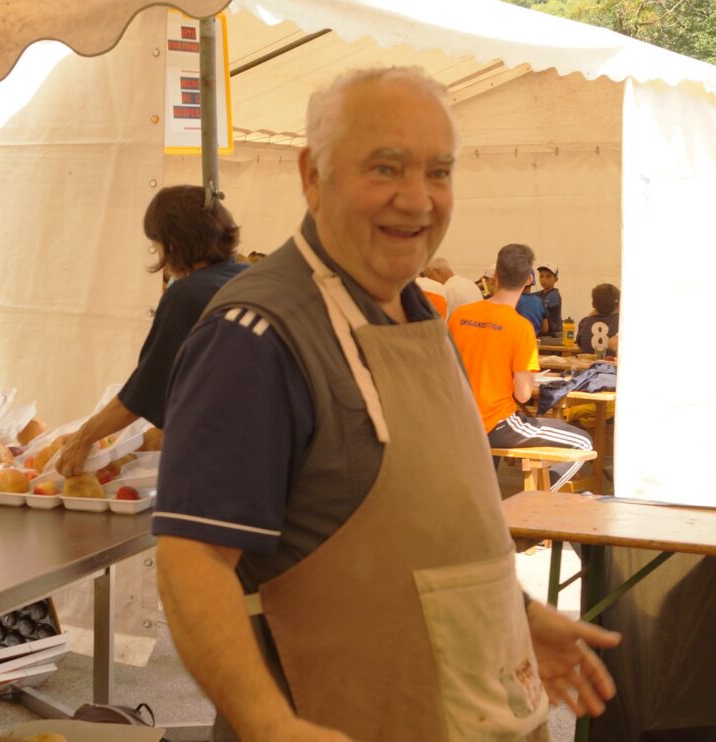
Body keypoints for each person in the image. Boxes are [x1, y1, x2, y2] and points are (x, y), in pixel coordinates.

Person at [153, 68, 620, 742]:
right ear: (313, 175)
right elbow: (192, 562)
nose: (417, 198)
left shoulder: (418, 315)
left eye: (439, 171)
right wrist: (267, 723)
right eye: (385, 168)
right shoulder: (256, 336)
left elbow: (435, 523)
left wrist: (516, 614)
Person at [57, 186, 246, 477]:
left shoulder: (188, 295)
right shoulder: (247, 278)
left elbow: (146, 388)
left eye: (156, 244)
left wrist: (84, 437)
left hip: (219, 461)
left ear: (172, 243)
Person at [449, 243, 593, 491]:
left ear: (494, 276)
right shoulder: (520, 328)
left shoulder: (460, 315)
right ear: (529, 280)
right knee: (583, 442)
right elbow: (524, 394)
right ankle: (532, 502)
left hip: (457, 421)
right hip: (496, 424)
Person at [577, 283, 620, 356]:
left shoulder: (584, 322)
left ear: (593, 304)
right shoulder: (621, 323)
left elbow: (580, 344)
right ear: (618, 304)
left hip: (587, 362)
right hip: (612, 362)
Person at [516, 270, 548, 335]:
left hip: (517, 338)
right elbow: (545, 329)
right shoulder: (540, 301)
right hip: (534, 339)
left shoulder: (513, 300)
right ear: (533, 282)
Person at [535, 262, 562, 338]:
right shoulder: (539, 294)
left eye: (548, 276)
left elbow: (540, 307)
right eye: (541, 276)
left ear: (556, 279)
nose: (544, 280)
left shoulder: (554, 295)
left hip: (554, 336)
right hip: (544, 335)